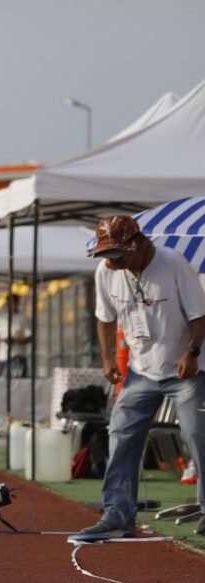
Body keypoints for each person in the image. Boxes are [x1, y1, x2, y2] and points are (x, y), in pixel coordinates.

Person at [80, 215, 205, 538]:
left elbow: (200, 314)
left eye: (115, 254)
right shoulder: (105, 273)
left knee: (197, 435)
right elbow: (104, 319)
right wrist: (107, 358)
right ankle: (118, 516)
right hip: (141, 370)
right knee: (121, 434)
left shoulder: (172, 263)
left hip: (186, 368)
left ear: (138, 245)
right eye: (105, 255)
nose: (110, 262)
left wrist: (191, 353)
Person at [0, 294, 32, 377]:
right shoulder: (1, 318)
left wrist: (14, 340)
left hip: (17, 356)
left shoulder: (23, 318)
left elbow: (29, 337)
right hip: (3, 357)